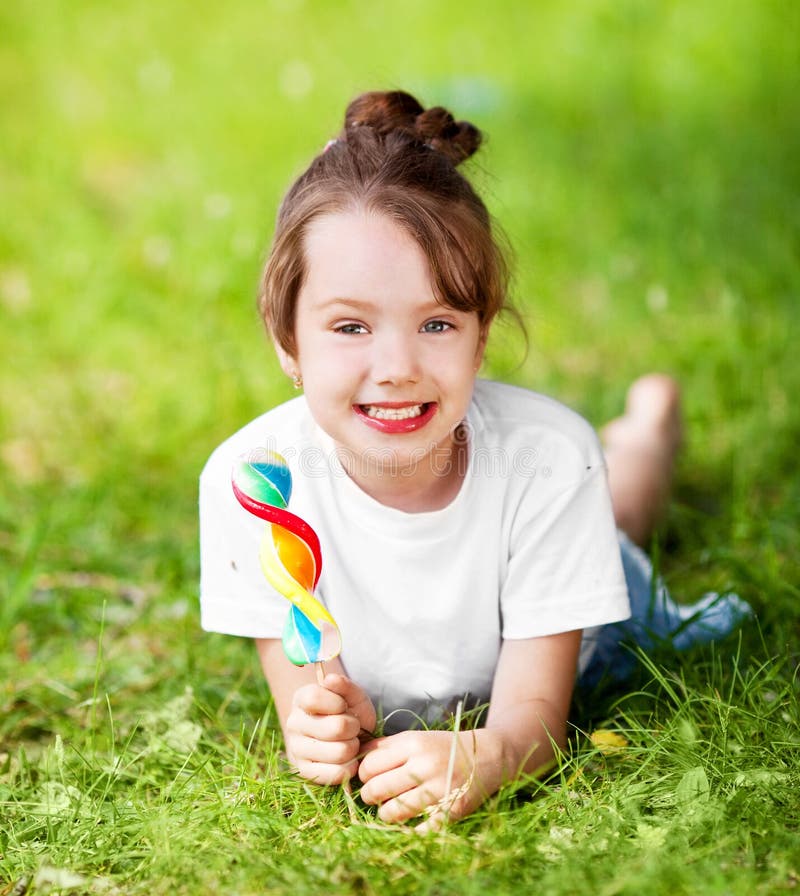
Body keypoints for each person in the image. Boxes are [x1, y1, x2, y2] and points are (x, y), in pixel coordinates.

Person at [199, 90, 750, 831]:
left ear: (481, 333)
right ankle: (640, 431)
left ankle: (648, 428)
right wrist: (322, 731)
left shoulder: (547, 462)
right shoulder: (256, 482)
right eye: (350, 325)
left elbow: (533, 724)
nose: (395, 367)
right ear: (286, 338)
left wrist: (491, 754)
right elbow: (305, 698)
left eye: (435, 322)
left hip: (585, 628)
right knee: (606, 505)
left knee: (618, 518)